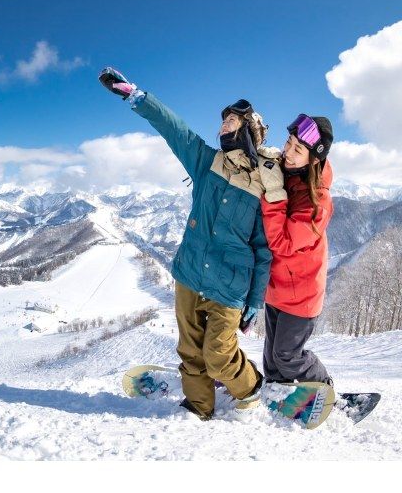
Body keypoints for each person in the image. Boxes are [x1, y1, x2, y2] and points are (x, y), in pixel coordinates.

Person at [99, 67, 282, 420]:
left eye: (231, 120)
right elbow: (174, 130)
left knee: (218, 354)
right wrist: (136, 95)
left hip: (229, 286)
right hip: (190, 274)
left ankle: (250, 388)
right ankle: (198, 407)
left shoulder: (264, 186)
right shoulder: (205, 162)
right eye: (223, 120)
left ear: (249, 129)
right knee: (190, 351)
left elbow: (263, 249)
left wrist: (256, 300)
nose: (223, 125)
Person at [258, 114, 334, 386]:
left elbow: (284, 243)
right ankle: (279, 395)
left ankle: (324, 388)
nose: (287, 153)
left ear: (314, 159)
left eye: (297, 150)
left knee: (287, 356)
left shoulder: (318, 202)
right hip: (276, 289)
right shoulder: (285, 172)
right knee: (272, 363)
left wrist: (274, 196)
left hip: (301, 295)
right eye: (288, 143)